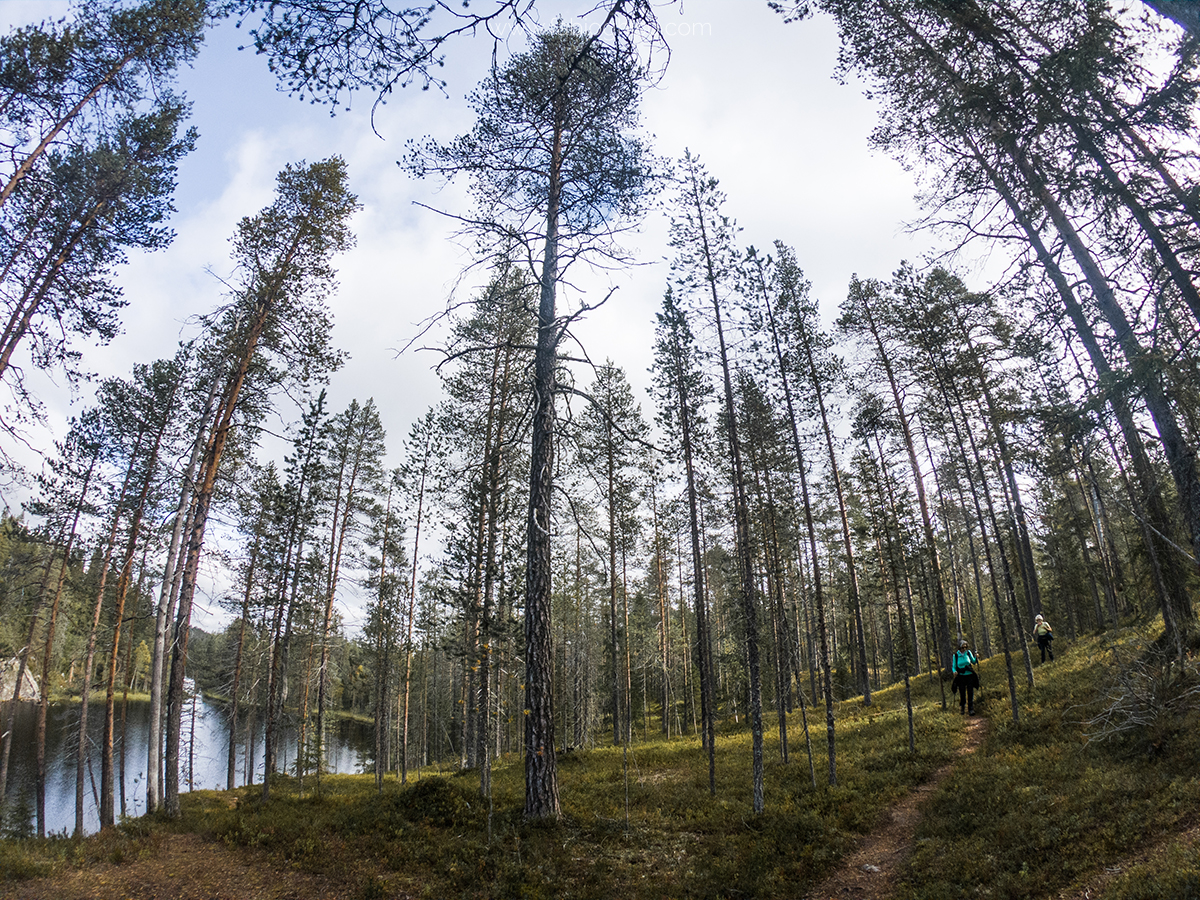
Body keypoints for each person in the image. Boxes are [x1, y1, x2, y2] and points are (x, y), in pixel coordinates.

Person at [951, 638, 979, 715]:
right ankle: (962, 708)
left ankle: (971, 709)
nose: (964, 649)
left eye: (965, 647)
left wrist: (976, 657)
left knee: (970, 692)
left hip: (969, 675)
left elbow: (973, 662)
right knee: (962, 693)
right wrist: (954, 671)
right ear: (959, 647)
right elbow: (954, 666)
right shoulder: (956, 655)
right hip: (961, 677)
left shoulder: (968, 653)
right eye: (963, 647)